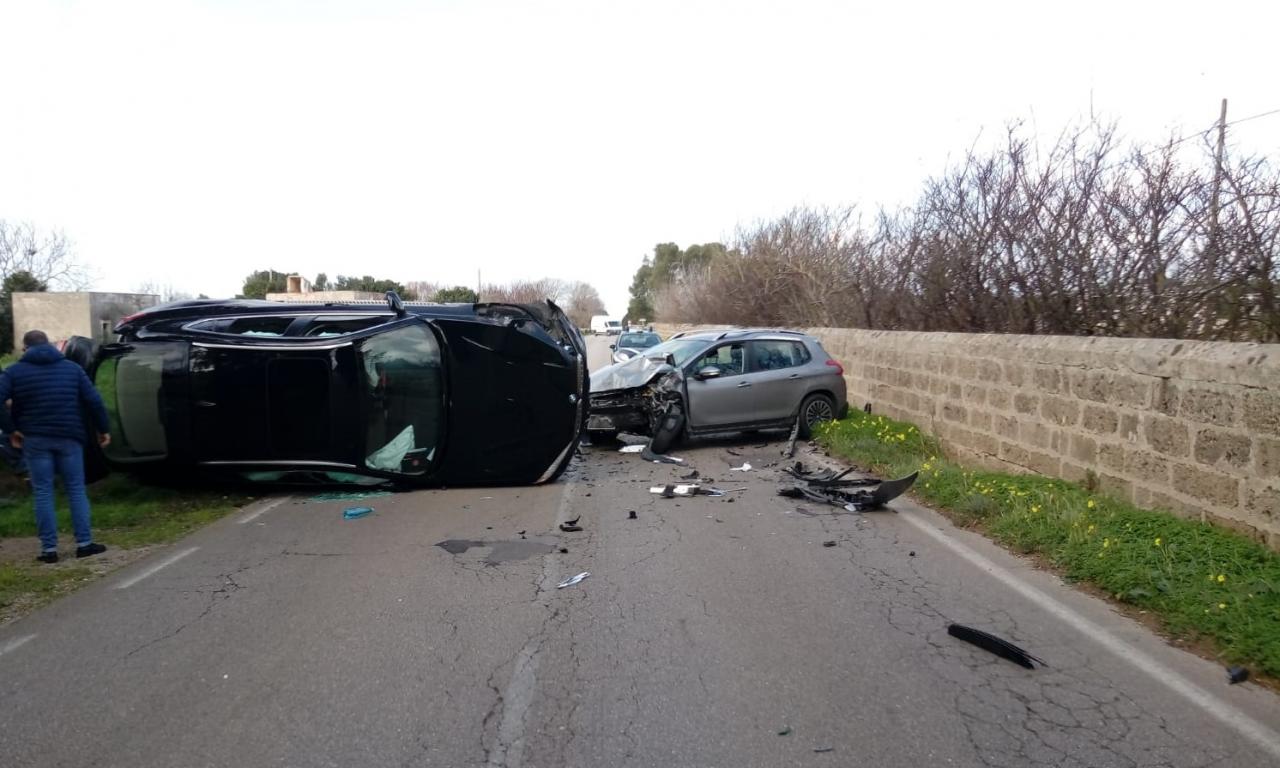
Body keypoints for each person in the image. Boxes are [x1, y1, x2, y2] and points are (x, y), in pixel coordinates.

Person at [0, 330, 112, 563]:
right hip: (70, 437)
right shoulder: (72, 369)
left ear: (25, 348)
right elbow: (94, 401)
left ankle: (49, 550)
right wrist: (103, 429)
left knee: (43, 491)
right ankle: (84, 544)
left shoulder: (14, 371)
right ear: (50, 345)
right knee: (76, 489)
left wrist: (11, 430)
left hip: (35, 439)